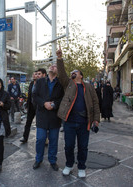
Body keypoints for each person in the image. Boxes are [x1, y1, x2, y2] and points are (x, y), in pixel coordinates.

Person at [56, 46, 100, 178]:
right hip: (69, 122)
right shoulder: (68, 84)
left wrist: (96, 119)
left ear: (81, 75)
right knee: (68, 146)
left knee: (83, 146)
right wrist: (59, 58)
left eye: (76, 72)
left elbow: (95, 103)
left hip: (84, 122)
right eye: (72, 72)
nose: (73, 73)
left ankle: (81, 167)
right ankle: (69, 165)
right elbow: (62, 73)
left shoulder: (89, 87)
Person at [32, 64, 64, 171]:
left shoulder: (60, 84)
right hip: (42, 116)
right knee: (40, 139)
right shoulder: (40, 81)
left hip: (55, 117)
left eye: (55, 66)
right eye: (51, 66)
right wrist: (44, 103)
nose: (52, 67)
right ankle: (38, 159)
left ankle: (52, 160)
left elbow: (63, 99)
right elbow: (35, 96)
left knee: (53, 140)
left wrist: (54, 105)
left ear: (58, 70)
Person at [20, 71, 37, 143]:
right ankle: (25, 137)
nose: (34, 75)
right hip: (31, 106)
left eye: (36, 74)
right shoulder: (31, 83)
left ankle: (45, 139)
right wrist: (27, 104)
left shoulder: (41, 84)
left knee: (41, 124)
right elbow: (29, 96)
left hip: (38, 107)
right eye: (33, 74)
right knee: (28, 123)